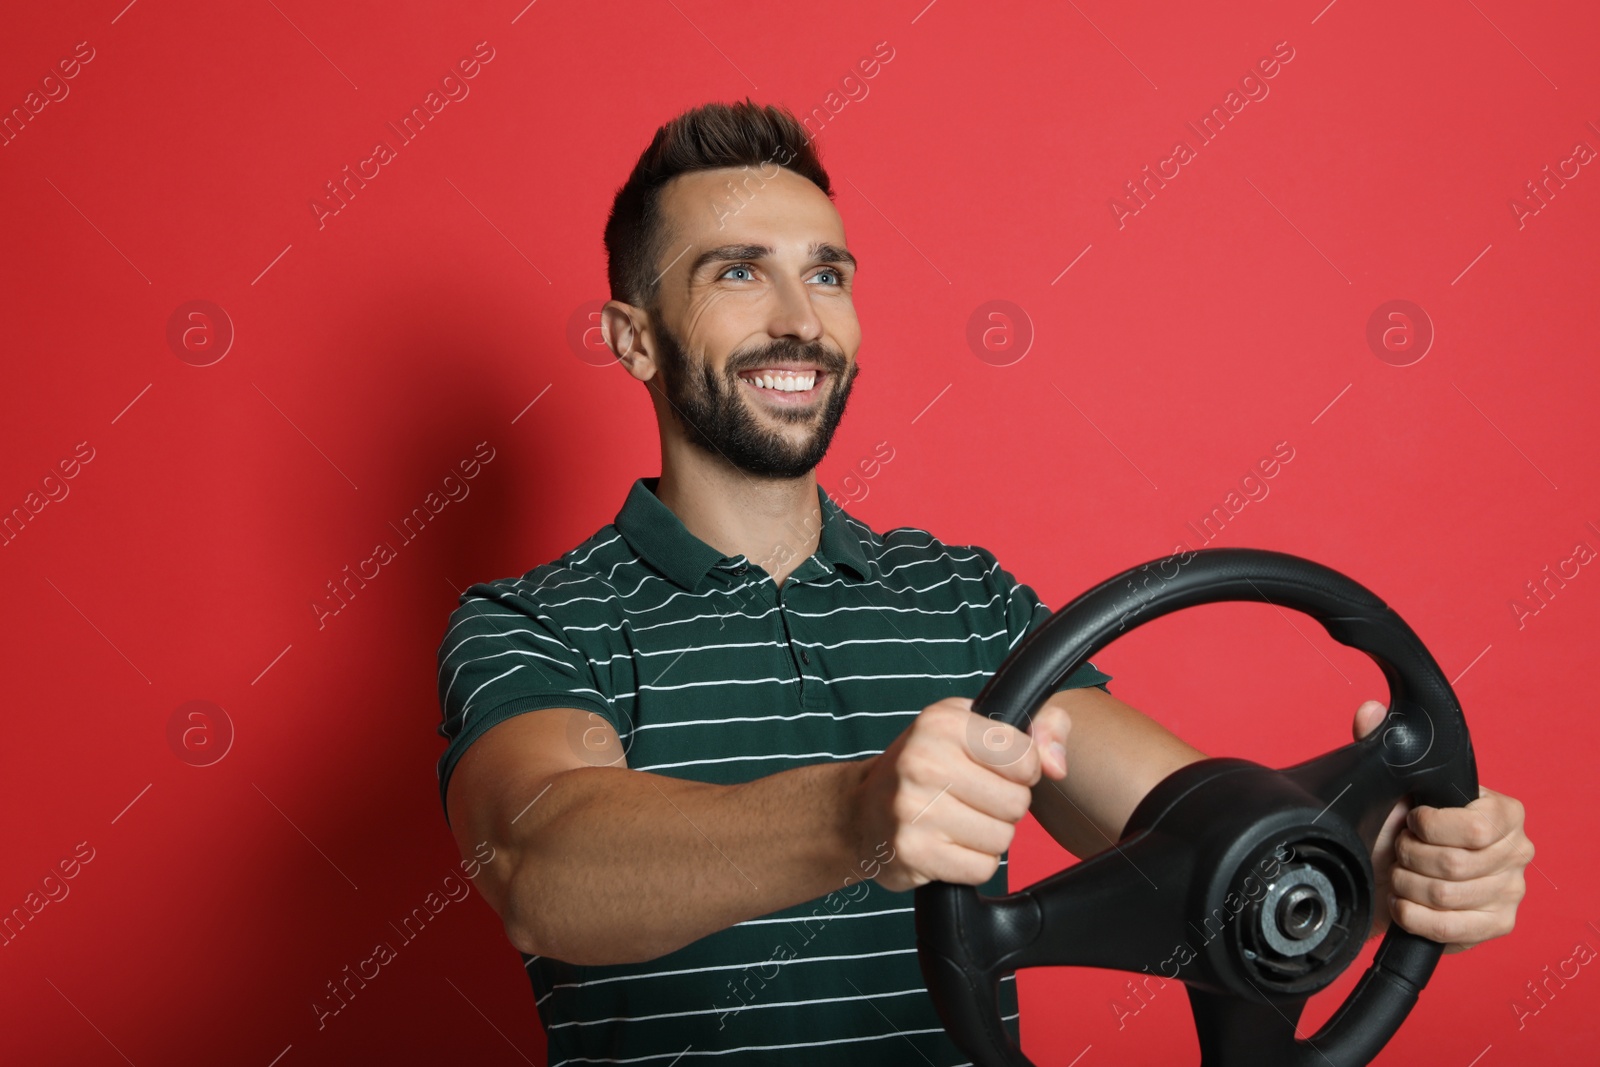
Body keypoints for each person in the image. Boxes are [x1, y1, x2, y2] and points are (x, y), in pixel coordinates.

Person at [435, 100, 1531, 1066]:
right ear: (633, 338)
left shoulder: (966, 601)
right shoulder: (536, 621)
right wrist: (855, 813)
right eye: (736, 270)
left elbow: (1191, 825)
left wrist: (1366, 859)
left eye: (827, 273)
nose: (800, 320)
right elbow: (537, 861)